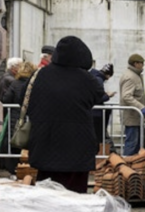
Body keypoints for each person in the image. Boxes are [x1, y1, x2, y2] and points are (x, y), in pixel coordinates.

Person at [24, 36, 108, 193]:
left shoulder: (40, 75)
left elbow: (23, 97)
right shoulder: (86, 79)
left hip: (45, 143)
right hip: (77, 146)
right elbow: (100, 95)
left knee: (47, 192)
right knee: (74, 195)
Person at [0, 60, 33, 175]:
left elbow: (7, 99)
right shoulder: (34, 84)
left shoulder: (15, 83)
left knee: (13, 143)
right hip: (30, 118)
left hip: (15, 118)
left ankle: (13, 171)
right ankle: (29, 170)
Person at [120, 54, 145, 156]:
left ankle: (134, 166)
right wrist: (141, 107)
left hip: (136, 117)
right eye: (142, 63)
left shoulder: (135, 75)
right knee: (131, 144)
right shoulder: (130, 77)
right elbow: (126, 96)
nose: (143, 66)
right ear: (136, 64)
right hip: (132, 117)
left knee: (136, 144)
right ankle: (126, 167)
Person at [90, 62, 116, 151]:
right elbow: (98, 97)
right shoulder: (99, 80)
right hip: (96, 114)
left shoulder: (92, 77)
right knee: (99, 137)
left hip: (91, 112)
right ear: (108, 75)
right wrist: (108, 95)